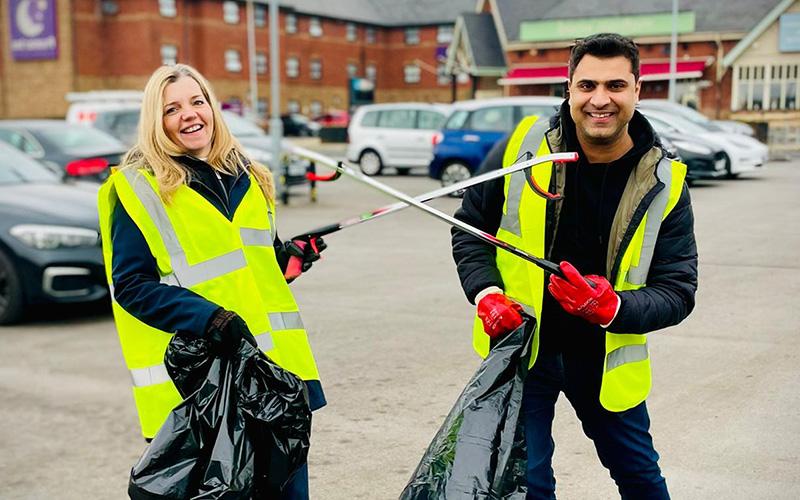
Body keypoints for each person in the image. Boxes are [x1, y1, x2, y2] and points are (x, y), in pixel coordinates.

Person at [451, 33, 697, 499]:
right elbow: (469, 230)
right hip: (525, 352)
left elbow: (679, 289)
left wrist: (613, 309)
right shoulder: (522, 150)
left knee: (642, 481)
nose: (600, 100)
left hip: (604, 361)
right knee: (526, 484)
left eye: (615, 86)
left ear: (638, 90)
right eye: (586, 86)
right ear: (569, 89)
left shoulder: (665, 182)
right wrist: (486, 294)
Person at [97, 64, 326, 499]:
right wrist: (210, 319)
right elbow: (131, 285)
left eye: (197, 101)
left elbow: (250, 266)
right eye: (172, 109)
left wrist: (289, 259)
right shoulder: (137, 187)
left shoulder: (250, 175)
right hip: (202, 391)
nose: (189, 114)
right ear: (156, 120)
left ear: (213, 108)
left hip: (276, 380)